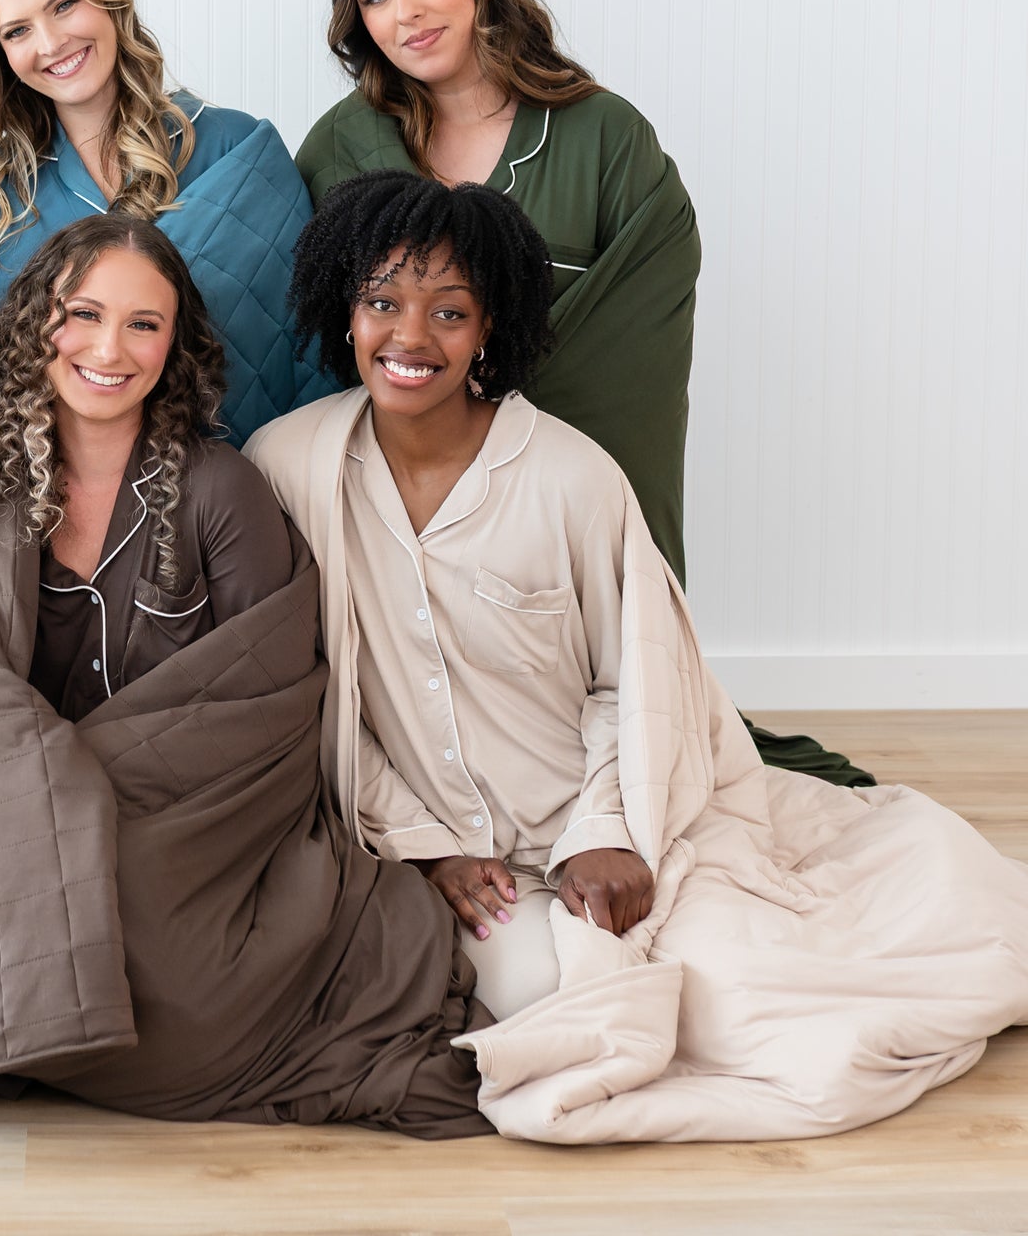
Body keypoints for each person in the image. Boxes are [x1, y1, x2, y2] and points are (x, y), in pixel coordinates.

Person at [247, 175, 1028, 1141]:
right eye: (382, 303)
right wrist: (428, 845)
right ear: (345, 308)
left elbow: (643, 682)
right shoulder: (288, 465)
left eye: (449, 312)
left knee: (764, 1012)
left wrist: (607, 832)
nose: (411, 338)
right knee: (546, 999)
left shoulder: (572, 477)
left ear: (491, 327)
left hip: (603, 819)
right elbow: (309, 693)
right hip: (444, 848)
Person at [0, 216, 491, 1139]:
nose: (108, 348)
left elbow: (271, 695)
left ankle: (48, 1028)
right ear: (34, 327)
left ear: (174, 347)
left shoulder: (221, 490)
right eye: (82, 314)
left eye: (143, 324)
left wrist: (94, 793)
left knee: (147, 929)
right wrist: (57, 797)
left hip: (204, 823)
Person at [295, 0, 869, 787]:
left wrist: (494, 438)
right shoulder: (340, 146)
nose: (404, 12)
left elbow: (638, 336)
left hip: (552, 524)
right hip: (399, 519)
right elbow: (328, 335)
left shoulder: (601, 136)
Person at [0, 0, 330, 443]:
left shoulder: (232, 147)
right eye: (17, 31)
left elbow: (313, 341)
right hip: (41, 492)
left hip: (239, 480)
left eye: (64, 5)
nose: (50, 43)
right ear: (0, 53)